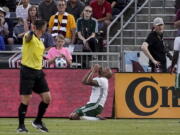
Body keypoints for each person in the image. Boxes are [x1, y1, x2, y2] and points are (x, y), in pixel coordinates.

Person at [17, 19, 51, 133]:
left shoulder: (41, 41)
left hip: (38, 72)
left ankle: (38, 121)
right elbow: (27, 38)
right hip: (27, 71)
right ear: (41, 27)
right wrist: (32, 30)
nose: (46, 27)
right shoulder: (29, 36)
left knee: (47, 98)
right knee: (26, 99)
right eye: (45, 26)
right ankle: (21, 126)